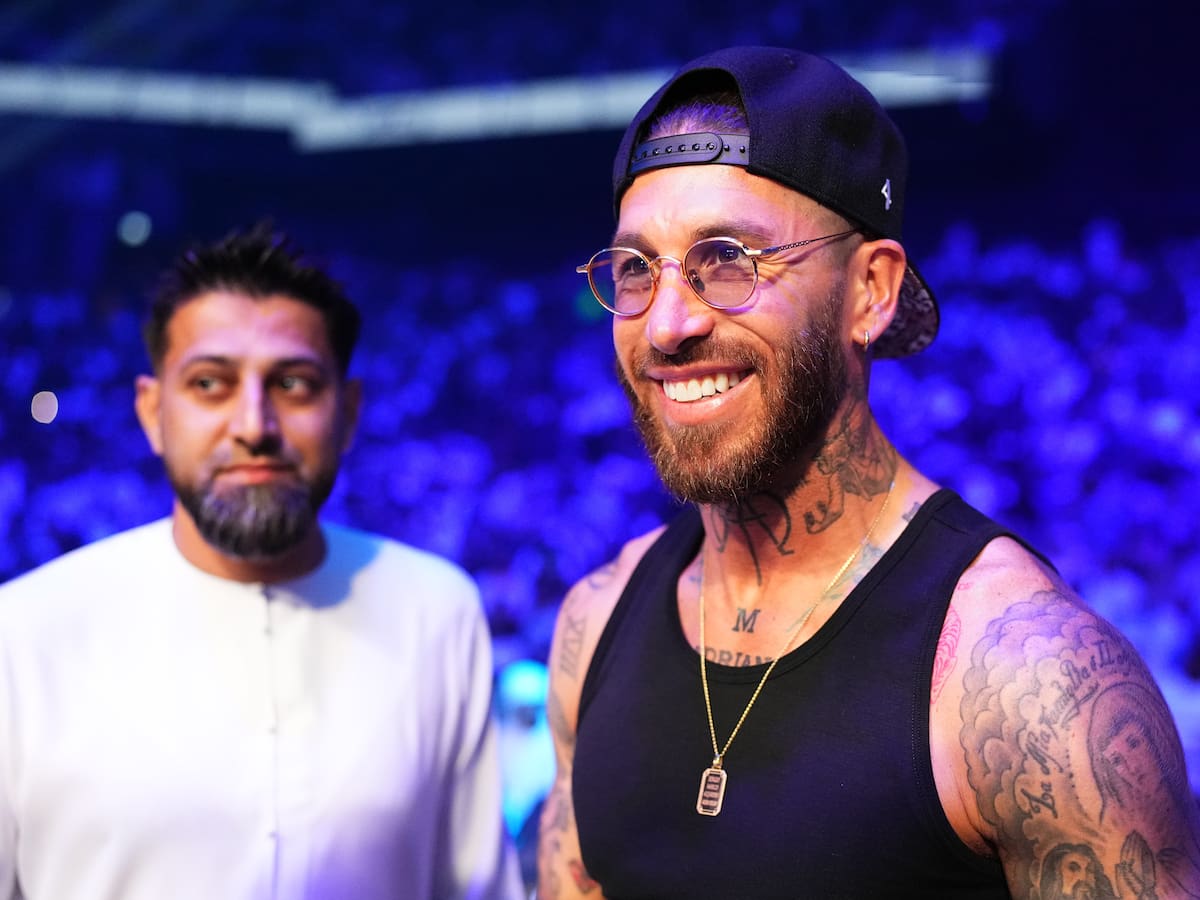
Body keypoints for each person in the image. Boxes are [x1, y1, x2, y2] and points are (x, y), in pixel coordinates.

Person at [536, 46, 1200, 899]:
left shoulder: (1026, 680)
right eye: (636, 268)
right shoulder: (594, 624)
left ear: (871, 292)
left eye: (728, 259)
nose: (666, 323)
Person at [0, 225, 522, 899]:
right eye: (210, 383)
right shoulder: (27, 631)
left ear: (348, 412)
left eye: (294, 384)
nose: (253, 424)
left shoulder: (436, 611)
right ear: (152, 412)